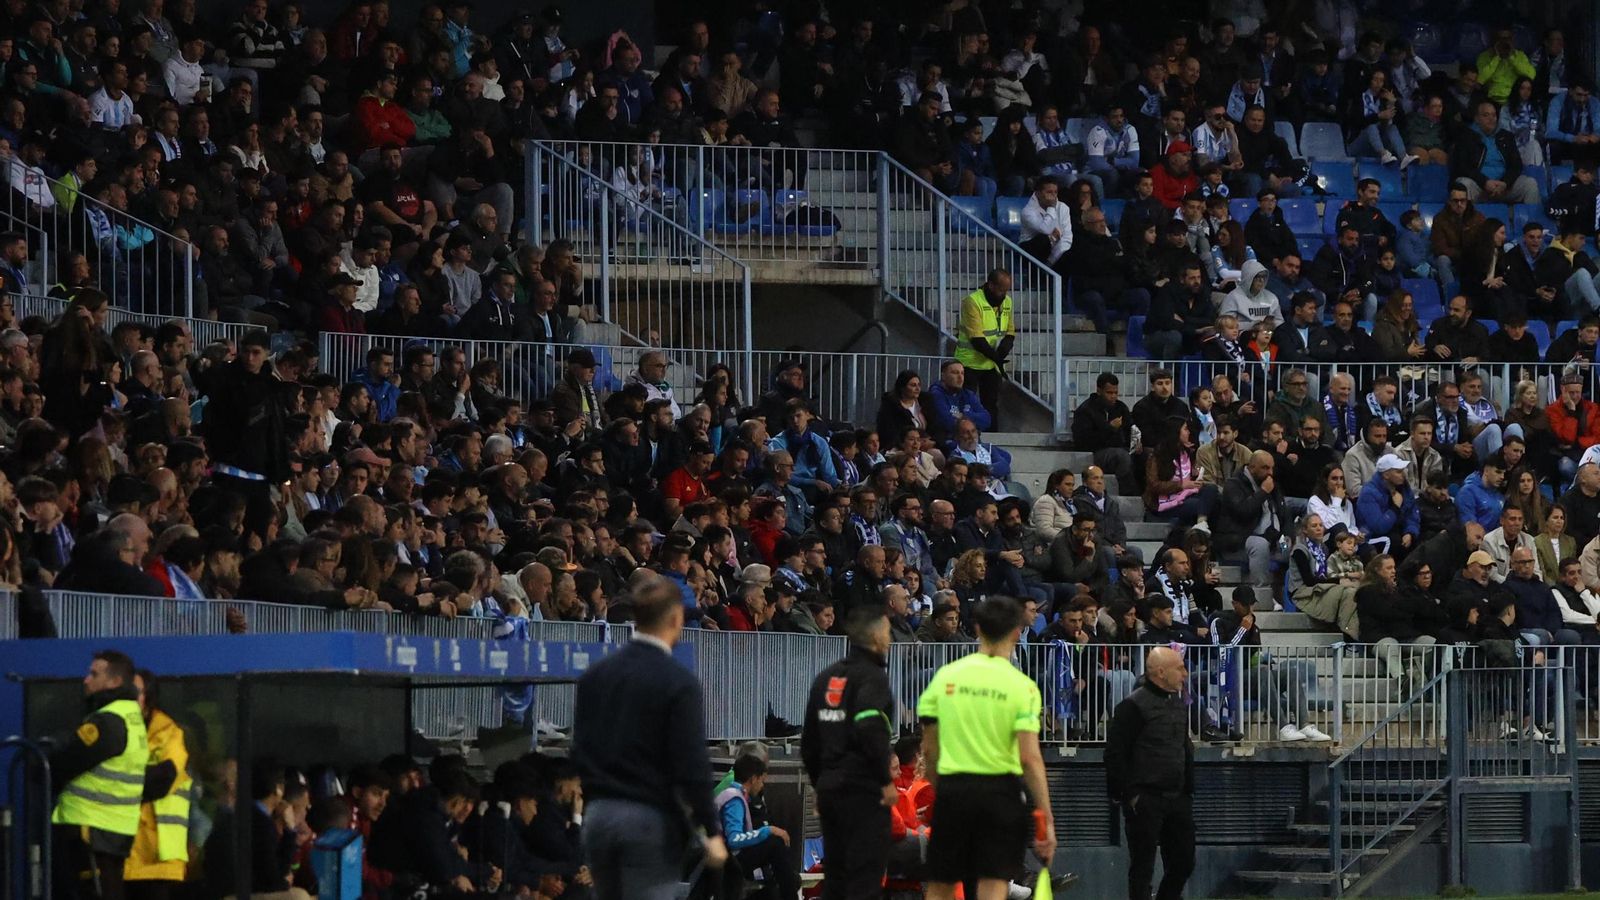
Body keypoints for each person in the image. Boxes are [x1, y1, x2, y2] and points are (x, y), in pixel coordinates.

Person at [572, 576, 728, 898]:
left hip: (598, 816)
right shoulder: (678, 682)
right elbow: (691, 763)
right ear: (675, 618)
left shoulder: (595, 676)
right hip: (648, 820)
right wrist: (711, 829)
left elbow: (580, 750)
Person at [916, 596, 1055, 900]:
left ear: (977, 628)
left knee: (941, 884)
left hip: (954, 789)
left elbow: (929, 752)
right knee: (993, 883)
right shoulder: (1023, 687)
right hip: (1001, 795)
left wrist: (943, 789)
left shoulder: (945, 677)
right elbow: (1030, 758)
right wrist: (1046, 817)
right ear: (1018, 630)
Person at [802, 607, 897, 899]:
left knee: (836, 879)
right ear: (877, 636)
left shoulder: (825, 678)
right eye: (888, 633)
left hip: (831, 790)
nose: (890, 640)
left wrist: (822, 783)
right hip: (863, 792)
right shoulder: (872, 677)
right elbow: (868, 724)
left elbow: (809, 742)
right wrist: (885, 779)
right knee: (864, 881)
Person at [51, 649, 149, 900]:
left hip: (90, 828)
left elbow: (65, 761)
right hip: (112, 829)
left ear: (115, 682)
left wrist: (55, 748)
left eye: (94, 674)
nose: (86, 680)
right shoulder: (130, 717)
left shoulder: (107, 722)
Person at [1105, 646, 1194, 900]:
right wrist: (1126, 794)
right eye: (1179, 668)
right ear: (1160, 672)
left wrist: (1188, 789)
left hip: (1177, 797)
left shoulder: (1178, 703)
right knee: (1143, 867)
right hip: (1144, 798)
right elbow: (1115, 753)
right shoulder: (1133, 706)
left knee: (1184, 862)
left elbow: (1183, 746)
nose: (1185, 674)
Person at [124, 669, 190, 897]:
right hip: (116, 857)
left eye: (133, 691)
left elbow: (162, 781)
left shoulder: (169, 734)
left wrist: (116, 781)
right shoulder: (110, 730)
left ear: (148, 698)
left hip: (158, 862)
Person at [715, 755, 799, 900]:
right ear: (753, 779)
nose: (762, 785)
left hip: (729, 857)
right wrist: (768, 830)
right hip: (729, 859)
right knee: (775, 844)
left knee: (783, 881)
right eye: (761, 780)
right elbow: (734, 839)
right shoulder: (734, 798)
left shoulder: (733, 795)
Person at [955, 269, 1015, 428]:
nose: (1004, 294)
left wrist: (1003, 350)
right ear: (990, 285)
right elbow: (977, 339)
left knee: (991, 405)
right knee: (966, 404)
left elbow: (1010, 332)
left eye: (1006, 290)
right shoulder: (972, 301)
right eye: (1001, 290)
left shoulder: (1007, 302)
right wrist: (997, 357)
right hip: (969, 363)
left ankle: (992, 440)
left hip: (990, 363)